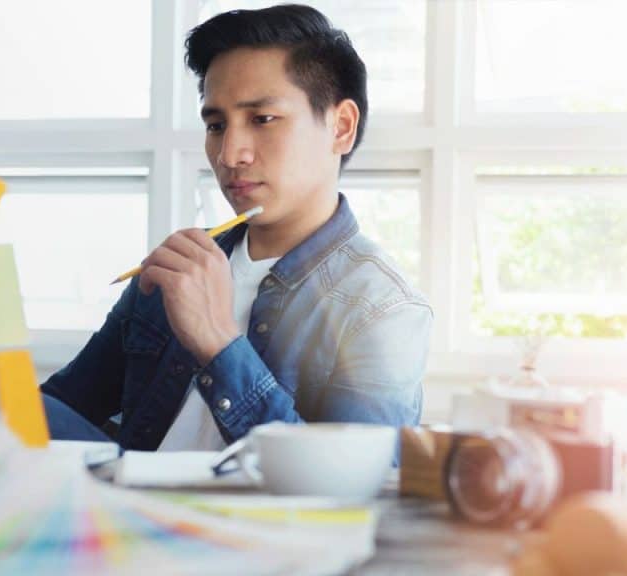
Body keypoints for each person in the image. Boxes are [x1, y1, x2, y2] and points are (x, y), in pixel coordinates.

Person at [40, 4, 432, 451]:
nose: (229, 155)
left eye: (262, 119)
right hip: (124, 515)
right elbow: (59, 410)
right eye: (216, 125)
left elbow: (355, 491)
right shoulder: (179, 268)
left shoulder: (383, 309)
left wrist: (218, 342)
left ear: (340, 127)